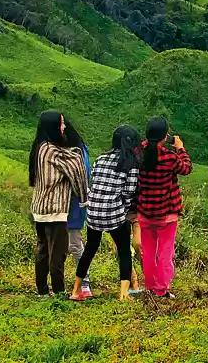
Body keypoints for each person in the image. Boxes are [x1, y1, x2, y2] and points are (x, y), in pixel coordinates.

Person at [70, 126, 141, 301]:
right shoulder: (130, 162)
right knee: (124, 250)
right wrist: (121, 211)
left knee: (90, 249)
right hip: (113, 213)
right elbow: (129, 192)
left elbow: (95, 181)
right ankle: (124, 294)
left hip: (93, 211)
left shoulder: (101, 158)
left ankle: (76, 290)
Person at [29, 110, 88, 298]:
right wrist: (83, 197)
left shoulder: (40, 147)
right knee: (58, 251)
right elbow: (76, 167)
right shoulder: (52, 150)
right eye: (61, 124)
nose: (64, 127)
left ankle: (42, 291)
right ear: (53, 127)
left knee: (43, 249)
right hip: (55, 209)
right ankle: (59, 291)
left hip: (40, 208)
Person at [136, 117, 192, 298]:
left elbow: (140, 149)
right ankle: (161, 289)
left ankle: (150, 286)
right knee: (165, 252)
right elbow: (186, 168)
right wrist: (180, 149)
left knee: (149, 251)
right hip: (167, 214)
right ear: (164, 136)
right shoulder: (169, 157)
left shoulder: (139, 154)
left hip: (145, 213)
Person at [64, 124, 93, 298]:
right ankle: (83, 283)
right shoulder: (81, 149)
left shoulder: (75, 152)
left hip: (74, 205)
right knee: (73, 244)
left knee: (74, 244)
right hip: (74, 204)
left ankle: (84, 283)